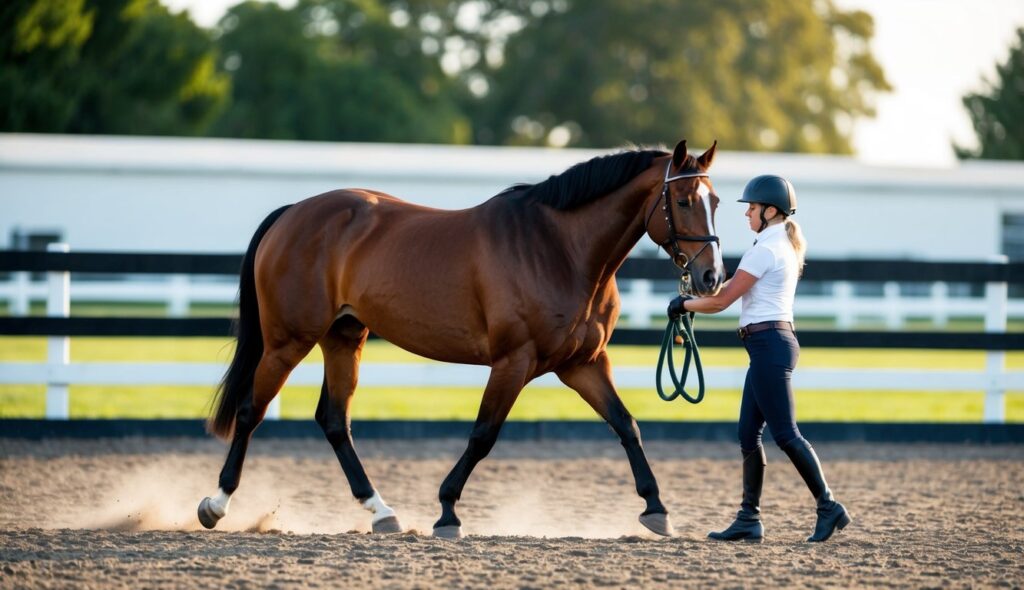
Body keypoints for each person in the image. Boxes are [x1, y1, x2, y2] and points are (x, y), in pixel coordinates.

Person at [667, 175, 851, 543]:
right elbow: (727, 289)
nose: (747, 213)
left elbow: (721, 301)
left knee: (786, 434)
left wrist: (682, 305)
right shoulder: (777, 243)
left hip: (769, 345)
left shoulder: (766, 249)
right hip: (768, 344)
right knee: (748, 433)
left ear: (769, 211)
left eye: (751, 208)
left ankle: (829, 506)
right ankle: (749, 518)